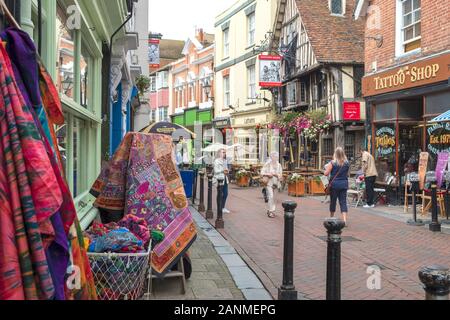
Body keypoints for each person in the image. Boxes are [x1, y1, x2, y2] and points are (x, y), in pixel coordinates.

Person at [324, 147, 350, 226]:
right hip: (344, 184)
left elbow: (326, 173)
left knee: (333, 201)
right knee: (343, 202)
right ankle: (344, 220)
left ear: (335, 154)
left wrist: (325, 168)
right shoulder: (347, 163)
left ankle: (332, 217)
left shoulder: (332, 163)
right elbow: (348, 174)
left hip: (334, 185)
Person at [261, 151, 283, 218]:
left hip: (276, 184)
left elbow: (280, 175)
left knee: (274, 198)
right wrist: (268, 174)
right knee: (271, 196)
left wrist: (276, 175)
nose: (275, 158)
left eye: (276, 157)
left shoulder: (279, 165)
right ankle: (271, 211)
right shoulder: (267, 164)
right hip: (269, 183)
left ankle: (269, 209)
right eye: (273, 156)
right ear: (271, 157)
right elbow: (262, 173)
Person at [213, 148, 230, 214]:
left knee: (226, 194)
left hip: (225, 179)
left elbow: (226, 169)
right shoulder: (216, 161)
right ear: (219, 153)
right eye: (223, 152)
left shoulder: (225, 161)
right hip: (219, 179)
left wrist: (227, 171)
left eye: (225, 152)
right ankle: (219, 208)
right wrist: (222, 170)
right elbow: (216, 171)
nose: (224, 154)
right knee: (220, 194)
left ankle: (223, 207)